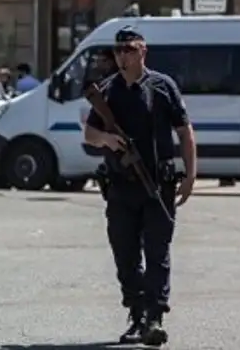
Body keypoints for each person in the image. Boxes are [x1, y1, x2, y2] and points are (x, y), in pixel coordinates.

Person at [83, 26, 196, 346]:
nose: (123, 56)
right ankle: (136, 314)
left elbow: (185, 132)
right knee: (125, 255)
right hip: (121, 188)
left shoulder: (163, 86)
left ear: (143, 51)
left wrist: (190, 175)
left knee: (157, 253)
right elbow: (89, 134)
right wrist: (108, 139)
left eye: (129, 50)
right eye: (118, 50)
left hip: (158, 185)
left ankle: (154, 317)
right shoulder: (107, 91)